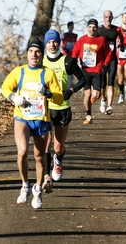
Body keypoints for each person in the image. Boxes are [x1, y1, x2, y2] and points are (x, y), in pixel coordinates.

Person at [1, 37, 64, 209]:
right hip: (22, 117)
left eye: (37, 51)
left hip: (41, 119)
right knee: (22, 152)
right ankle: (25, 185)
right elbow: (5, 87)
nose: (34, 54)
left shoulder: (48, 73)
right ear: (27, 54)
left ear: (41, 54)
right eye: (31, 51)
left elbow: (59, 99)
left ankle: (38, 190)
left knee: (39, 156)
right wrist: (14, 97)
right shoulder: (19, 71)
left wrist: (48, 93)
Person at [41, 29, 86, 192]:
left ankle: (58, 160)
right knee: (45, 143)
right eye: (49, 42)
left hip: (63, 108)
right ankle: (46, 177)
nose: (52, 45)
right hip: (45, 108)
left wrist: (72, 91)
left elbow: (83, 79)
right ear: (46, 44)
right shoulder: (41, 62)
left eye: (54, 41)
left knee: (58, 147)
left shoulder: (67, 61)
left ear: (59, 42)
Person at [72, 18, 112, 124]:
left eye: (94, 27)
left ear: (97, 28)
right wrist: (73, 61)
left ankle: (93, 102)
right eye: (90, 27)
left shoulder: (101, 40)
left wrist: (106, 64)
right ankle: (88, 114)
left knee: (96, 95)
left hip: (97, 70)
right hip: (85, 70)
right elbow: (75, 52)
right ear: (87, 28)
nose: (92, 29)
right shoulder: (81, 40)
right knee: (88, 94)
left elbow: (109, 53)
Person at [97, 10, 124, 115]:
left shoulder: (115, 29)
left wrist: (121, 44)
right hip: (102, 60)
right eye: (106, 17)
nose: (108, 19)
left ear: (112, 17)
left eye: (110, 17)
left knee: (111, 81)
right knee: (103, 83)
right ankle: (103, 100)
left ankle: (109, 105)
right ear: (103, 17)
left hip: (112, 59)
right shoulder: (99, 30)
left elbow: (121, 36)